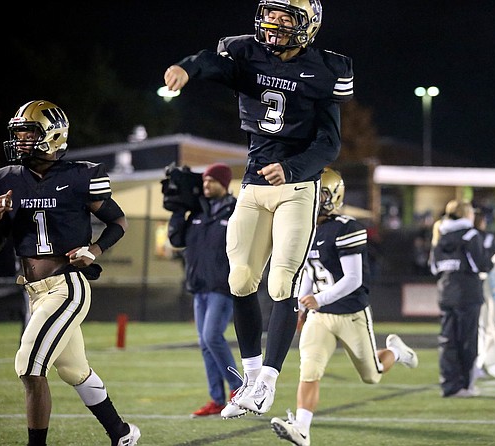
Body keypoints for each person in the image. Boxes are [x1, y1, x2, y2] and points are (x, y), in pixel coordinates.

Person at [163, 0, 353, 418]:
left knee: (282, 282)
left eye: (288, 19)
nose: (275, 25)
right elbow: (211, 62)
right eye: (272, 15)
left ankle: (267, 381)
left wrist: (291, 168)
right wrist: (186, 69)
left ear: (309, 26)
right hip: (253, 182)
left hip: (298, 185)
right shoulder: (245, 52)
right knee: (241, 277)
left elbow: (330, 143)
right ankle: (248, 380)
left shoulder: (327, 68)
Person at [0, 100, 140, 445]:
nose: (22, 140)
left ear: (53, 134)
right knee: (74, 370)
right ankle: (122, 434)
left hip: (67, 285)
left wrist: (95, 250)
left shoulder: (82, 175)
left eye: (29, 132)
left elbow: (117, 221)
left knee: (29, 366)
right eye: (19, 133)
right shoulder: (6, 179)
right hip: (33, 291)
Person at [270, 167, 418, 446]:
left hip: (350, 314)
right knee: (310, 369)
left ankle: (396, 352)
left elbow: (353, 279)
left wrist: (319, 299)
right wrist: (303, 307)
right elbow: (310, 272)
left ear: (334, 195)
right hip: (320, 316)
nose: (315, 199)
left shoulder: (347, 227)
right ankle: (302, 429)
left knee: (371, 376)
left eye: (321, 193)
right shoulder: (305, 227)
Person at [167, 163, 243, 417]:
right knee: (205, 344)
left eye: (212, 181)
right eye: (205, 181)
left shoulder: (236, 211)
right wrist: (178, 210)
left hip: (222, 287)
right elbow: (176, 240)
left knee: (212, 337)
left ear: (225, 184)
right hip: (199, 286)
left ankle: (239, 389)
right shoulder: (198, 211)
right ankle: (217, 400)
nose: (206, 185)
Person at [429, 199, 493, 397]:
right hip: (468, 294)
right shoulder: (470, 234)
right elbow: (482, 265)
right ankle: (465, 385)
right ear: (467, 214)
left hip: (446, 293)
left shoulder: (440, 234)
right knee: (467, 341)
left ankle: (449, 385)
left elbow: (433, 268)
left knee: (448, 340)